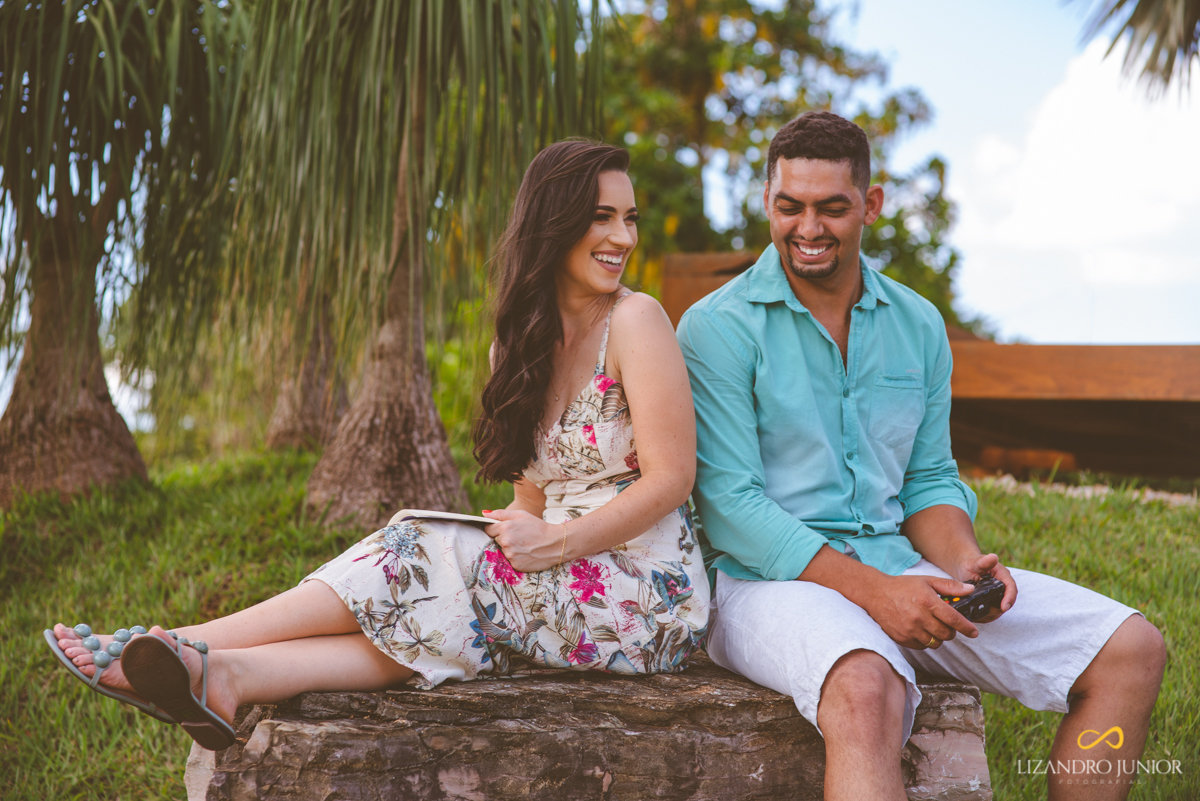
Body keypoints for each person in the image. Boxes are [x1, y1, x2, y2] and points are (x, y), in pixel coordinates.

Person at [46, 140, 709, 751]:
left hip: (647, 599)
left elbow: (672, 477)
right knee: (437, 611)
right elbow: (530, 498)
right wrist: (519, 534)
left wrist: (551, 544)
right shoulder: (517, 345)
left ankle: (170, 641)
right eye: (603, 216)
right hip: (556, 589)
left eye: (631, 218)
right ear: (554, 221)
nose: (623, 237)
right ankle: (227, 675)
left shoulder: (636, 319)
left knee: (419, 540)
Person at [677, 111, 1165, 801]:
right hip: (765, 589)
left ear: (870, 205)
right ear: (767, 203)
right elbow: (730, 508)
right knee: (864, 686)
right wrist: (879, 595)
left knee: (1131, 648)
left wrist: (963, 563)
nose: (807, 228)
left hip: (905, 573)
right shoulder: (715, 327)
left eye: (832, 208)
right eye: (790, 206)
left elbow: (928, 477)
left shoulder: (918, 323)